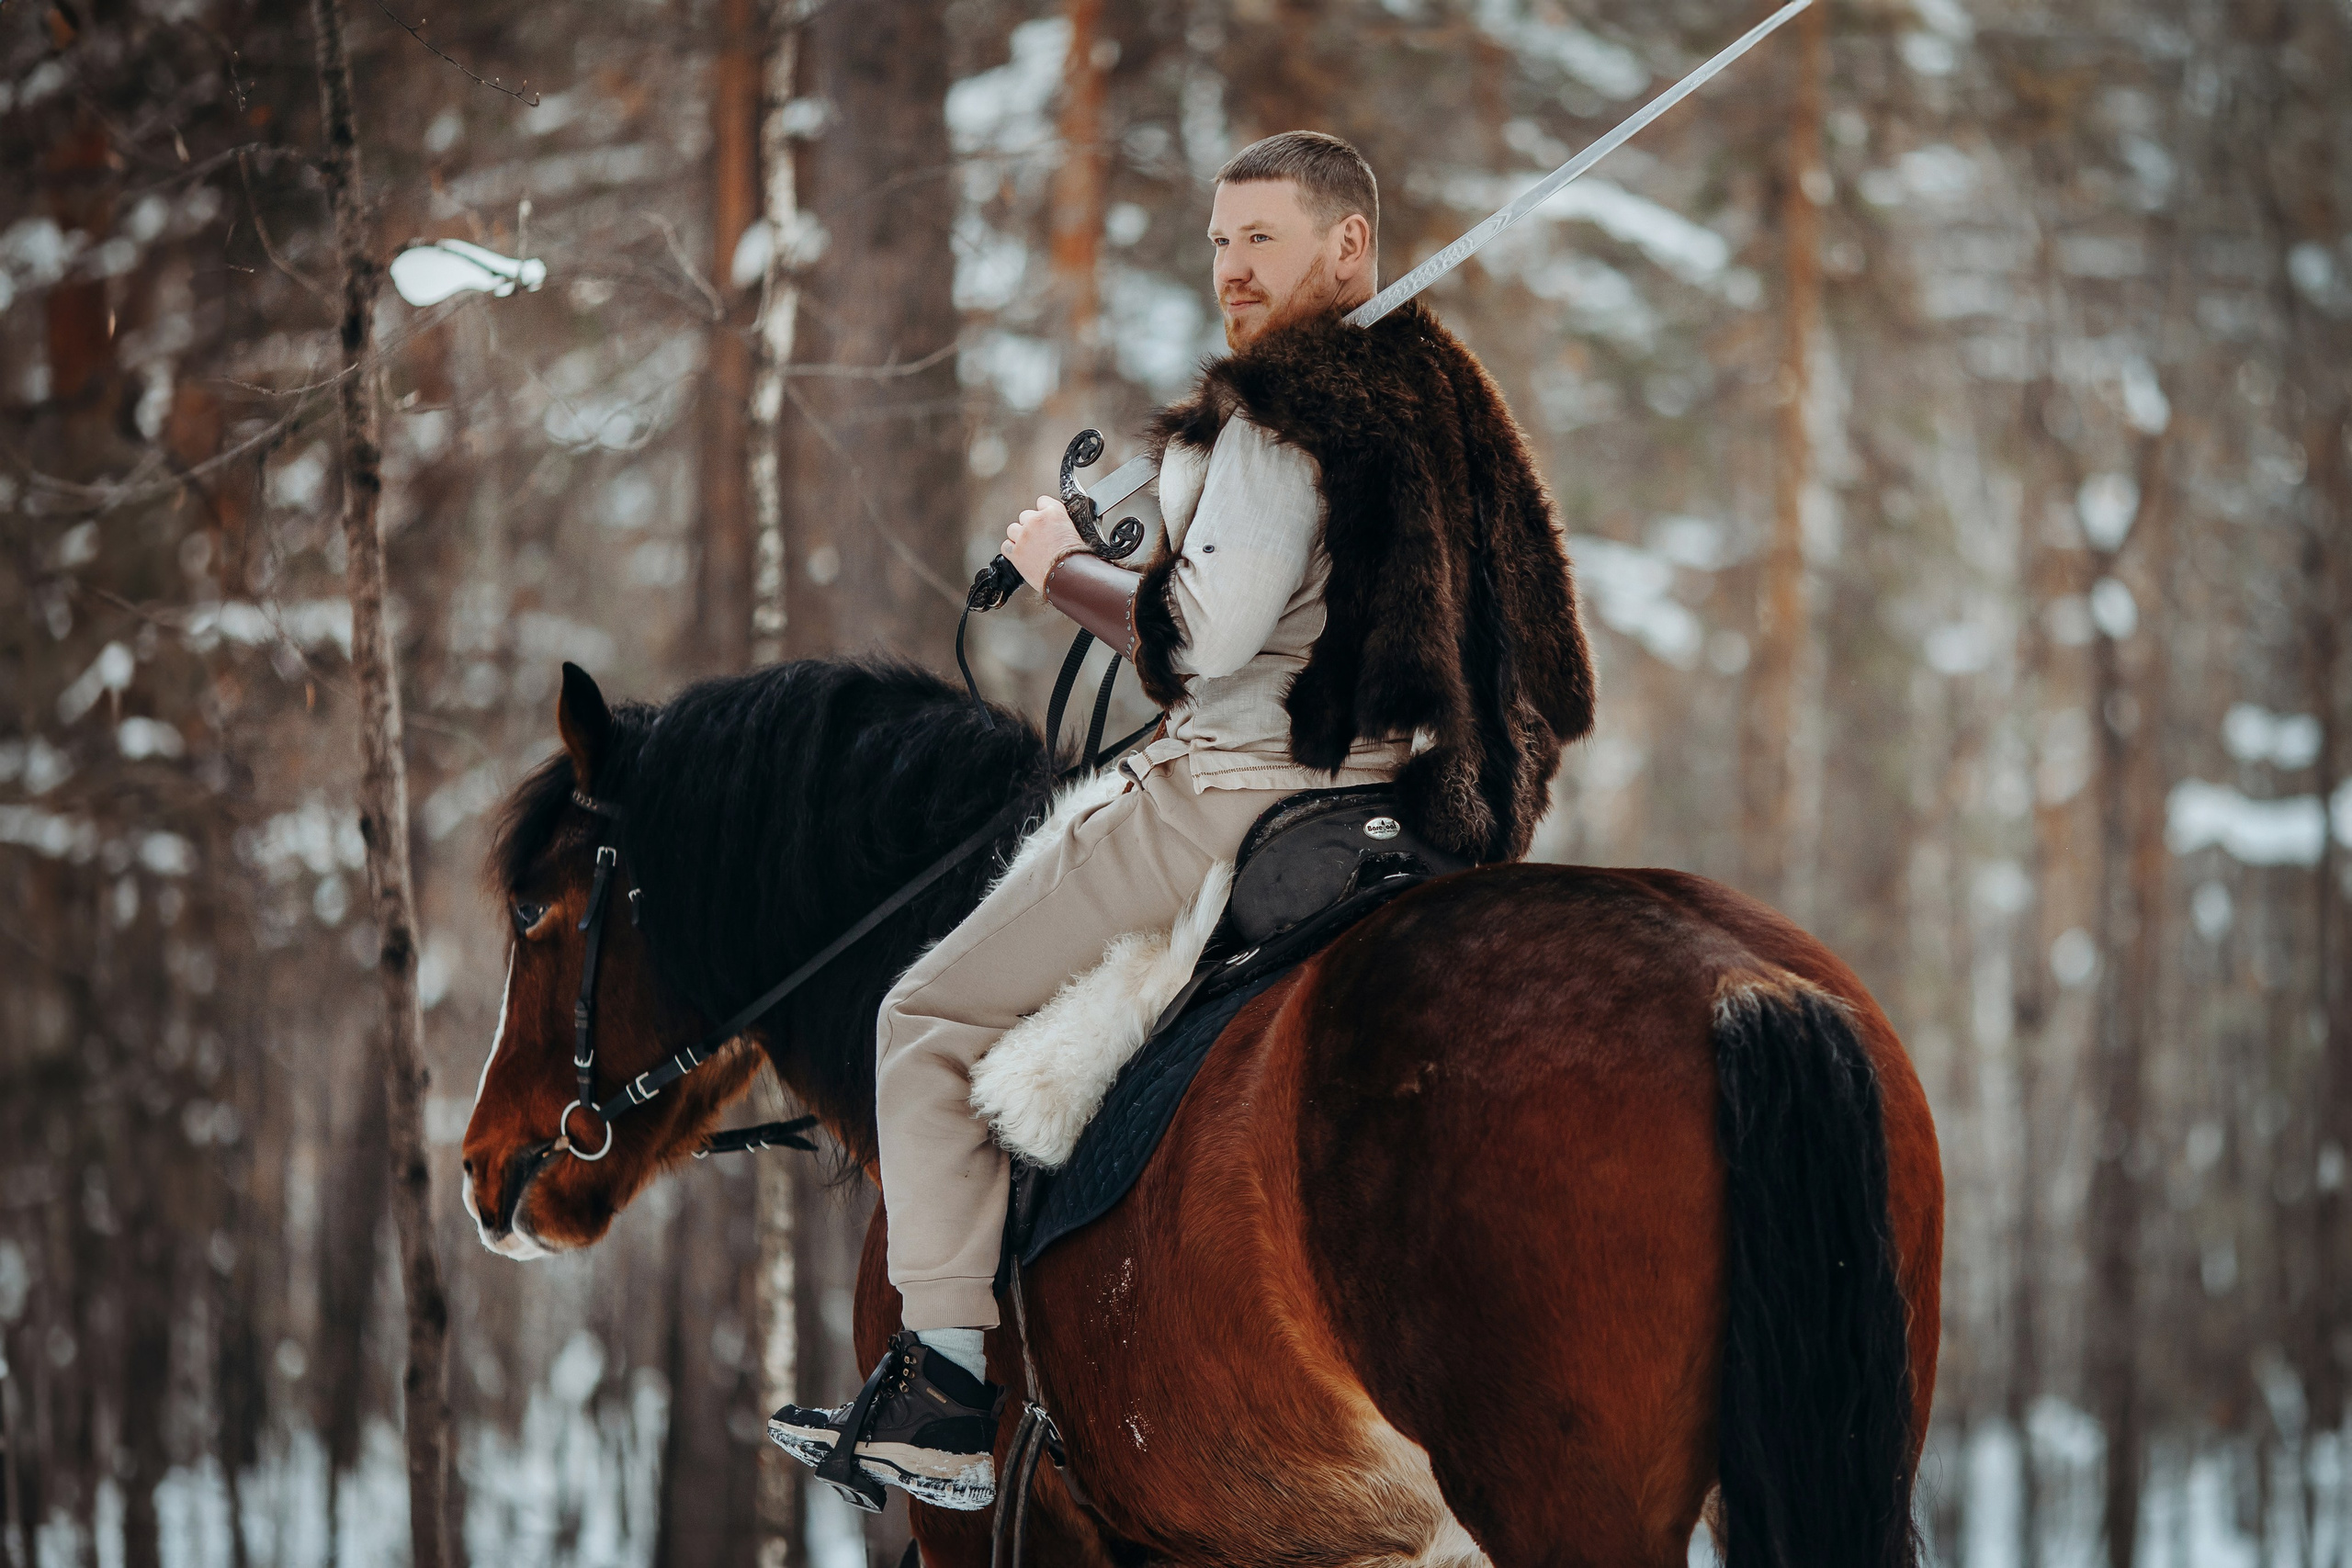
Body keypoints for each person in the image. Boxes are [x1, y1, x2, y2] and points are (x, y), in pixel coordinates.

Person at [768, 130, 1595, 1510]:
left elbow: (1202, 645)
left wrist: (1060, 570)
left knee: (917, 1022)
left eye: (1260, 239)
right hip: (1395, 804)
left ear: (1349, 247)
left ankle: (949, 1388)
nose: (1229, 270)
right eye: (1218, 242)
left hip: (1238, 791)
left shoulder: (1284, 410)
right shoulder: (1430, 403)